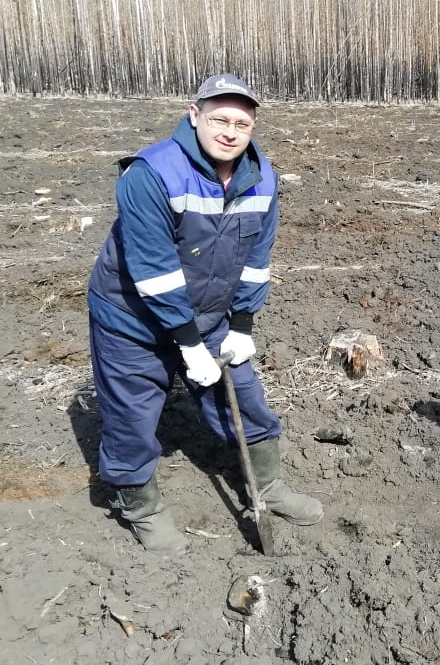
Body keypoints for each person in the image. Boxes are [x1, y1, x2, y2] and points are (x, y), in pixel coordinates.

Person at [87, 72, 323, 555]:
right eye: (219, 118)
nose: (230, 131)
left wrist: (241, 325)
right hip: (132, 318)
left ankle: (267, 487)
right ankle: (140, 507)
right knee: (132, 413)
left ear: (253, 126)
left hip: (210, 314)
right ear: (194, 116)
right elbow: (154, 272)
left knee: (243, 394)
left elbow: (257, 257)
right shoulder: (150, 173)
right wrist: (189, 345)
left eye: (242, 122)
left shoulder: (261, 178)